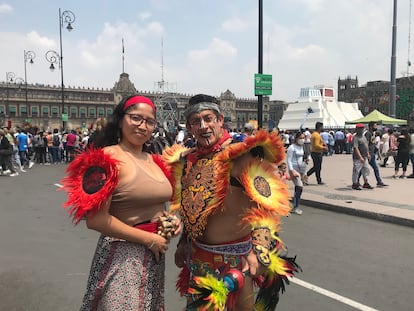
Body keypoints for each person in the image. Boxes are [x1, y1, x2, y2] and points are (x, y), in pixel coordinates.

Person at [164, 94, 299, 311]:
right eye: (196, 122)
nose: (203, 126)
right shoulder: (187, 161)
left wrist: (260, 249)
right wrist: (183, 242)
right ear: (189, 126)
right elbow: (193, 208)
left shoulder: (240, 155)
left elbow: (266, 205)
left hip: (238, 259)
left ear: (220, 120)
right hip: (200, 259)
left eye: (208, 119)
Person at [61, 95, 181, 311]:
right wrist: (148, 238)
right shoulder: (105, 159)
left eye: (149, 121)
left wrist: (170, 220)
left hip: (154, 255)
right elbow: (96, 220)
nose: (143, 126)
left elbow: (156, 204)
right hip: (122, 257)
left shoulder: (154, 160)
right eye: (136, 118)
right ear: (120, 119)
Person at [286, 132, 310, 215]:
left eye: (304, 138)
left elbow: (305, 156)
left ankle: (296, 205)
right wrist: (291, 170)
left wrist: (306, 160)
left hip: (302, 168)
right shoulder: (291, 148)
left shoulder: (302, 147)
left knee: (299, 187)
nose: (302, 139)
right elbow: (289, 160)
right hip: (294, 169)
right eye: (301, 138)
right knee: (299, 186)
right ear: (296, 138)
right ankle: (295, 206)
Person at [364, 122, 388, 187]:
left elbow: (373, 143)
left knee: (375, 168)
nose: (376, 127)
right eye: (375, 126)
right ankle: (357, 181)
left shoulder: (373, 133)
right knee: (363, 168)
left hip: (372, 154)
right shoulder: (368, 133)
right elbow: (366, 144)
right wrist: (367, 153)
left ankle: (379, 182)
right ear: (371, 126)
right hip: (368, 154)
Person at [352, 124, 373, 190]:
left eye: (362, 128)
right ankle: (355, 183)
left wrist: (368, 154)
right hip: (358, 158)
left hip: (365, 157)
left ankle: (366, 182)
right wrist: (360, 157)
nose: (361, 130)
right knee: (356, 170)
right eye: (360, 128)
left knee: (366, 169)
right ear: (357, 129)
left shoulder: (363, 137)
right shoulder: (355, 137)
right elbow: (356, 148)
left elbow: (366, 146)